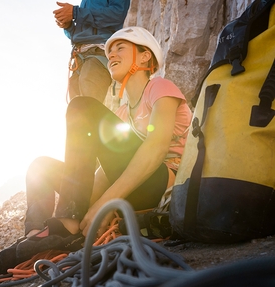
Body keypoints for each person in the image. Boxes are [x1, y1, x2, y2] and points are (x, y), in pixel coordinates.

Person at [14, 26, 192, 263]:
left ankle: (67, 225)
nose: (112, 56)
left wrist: (103, 203)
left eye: (120, 48)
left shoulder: (160, 88)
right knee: (41, 167)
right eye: (110, 53)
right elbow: (105, 171)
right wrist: (89, 211)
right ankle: (38, 236)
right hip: (131, 186)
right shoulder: (121, 112)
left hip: (161, 186)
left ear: (145, 55)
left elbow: (156, 149)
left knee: (83, 108)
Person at [53, 1, 130, 103]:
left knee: (88, 104)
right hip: (79, 56)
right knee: (76, 106)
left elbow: (117, 15)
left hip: (99, 52)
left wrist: (76, 13)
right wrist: (68, 26)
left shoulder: (82, 9)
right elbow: (79, 34)